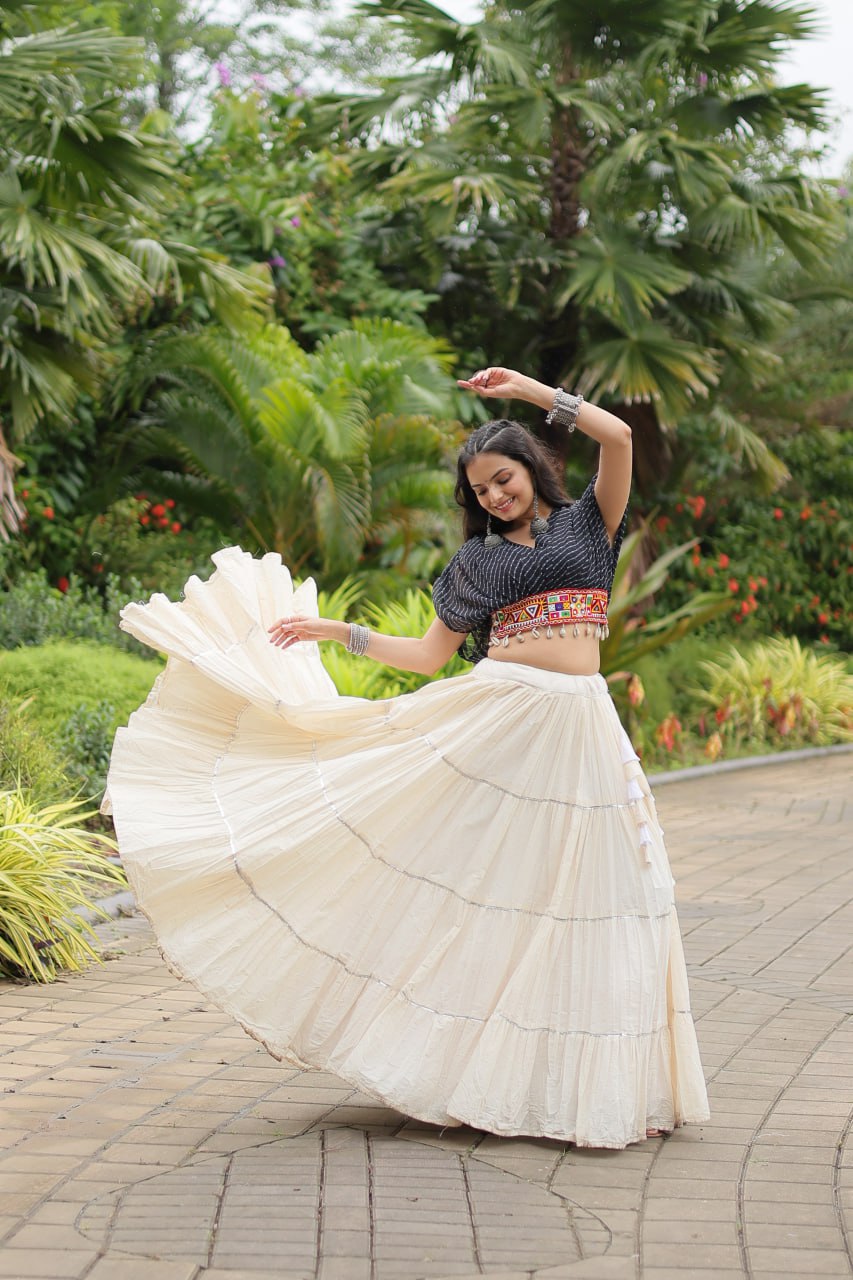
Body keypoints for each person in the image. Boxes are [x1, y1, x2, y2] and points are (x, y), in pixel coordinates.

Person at [103, 366, 710, 1150]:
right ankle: (460, 1073)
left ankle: (613, 1089)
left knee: (611, 891)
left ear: (530, 466)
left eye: (504, 478)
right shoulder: (476, 565)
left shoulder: (588, 524)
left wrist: (528, 390)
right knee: (489, 891)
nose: (494, 496)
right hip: (502, 723)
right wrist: (336, 634)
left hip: (581, 730)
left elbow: (619, 435)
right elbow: (428, 656)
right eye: (480, 490)